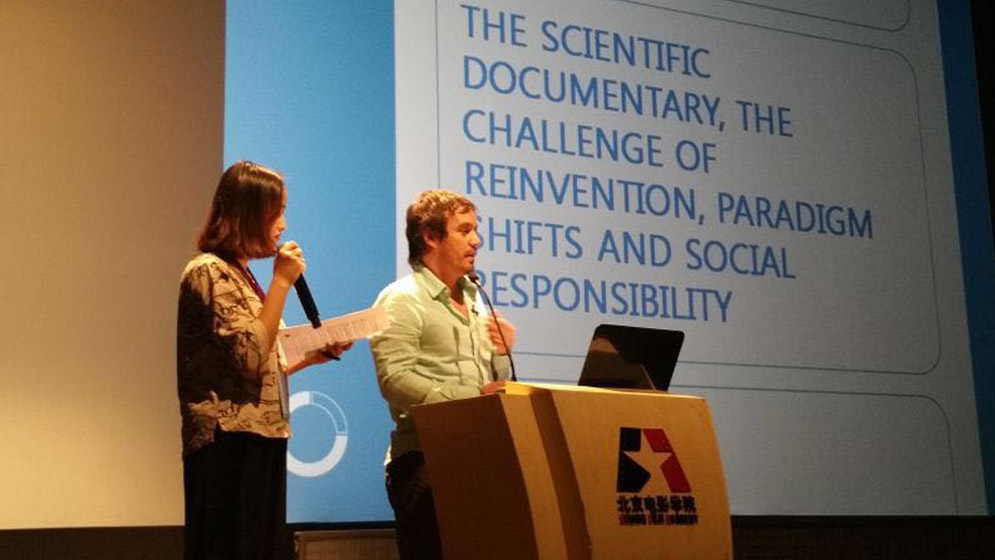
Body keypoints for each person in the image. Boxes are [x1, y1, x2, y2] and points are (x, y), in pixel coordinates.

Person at [176, 161, 351, 560]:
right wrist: (282, 281)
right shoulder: (210, 271)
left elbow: (262, 358)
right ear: (249, 214)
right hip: (228, 442)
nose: (283, 225)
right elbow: (250, 358)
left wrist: (312, 355)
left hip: (262, 436)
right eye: (277, 213)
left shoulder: (243, 276)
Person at [369, 189, 516, 559]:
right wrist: (471, 401)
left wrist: (502, 353)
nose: (476, 240)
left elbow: (495, 383)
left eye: (475, 230)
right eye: (464, 230)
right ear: (431, 237)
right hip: (426, 462)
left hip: (483, 456)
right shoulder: (401, 298)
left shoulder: (475, 298)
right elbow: (395, 380)